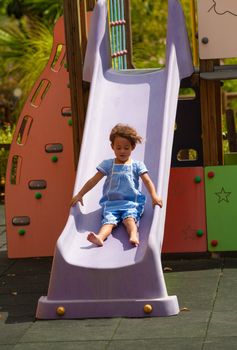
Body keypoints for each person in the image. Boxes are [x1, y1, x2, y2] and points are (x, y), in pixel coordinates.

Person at [70, 123, 163, 247]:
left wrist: (154, 196)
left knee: (129, 219)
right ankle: (100, 237)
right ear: (112, 147)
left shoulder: (137, 165)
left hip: (130, 203)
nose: (122, 151)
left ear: (133, 147)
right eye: (118, 148)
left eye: (126, 147)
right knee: (108, 223)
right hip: (111, 204)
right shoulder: (108, 164)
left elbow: (147, 181)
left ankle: (133, 235)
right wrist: (80, 194)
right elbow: (93, 180)